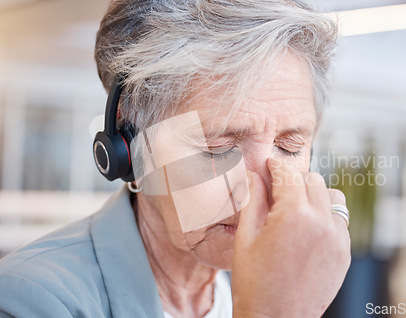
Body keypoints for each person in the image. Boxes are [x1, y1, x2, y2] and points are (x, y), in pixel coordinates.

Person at [0, 0, 351, 317]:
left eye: (289, 147)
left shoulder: (266, 283)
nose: (264, 190)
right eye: (219, 148)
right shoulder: (33, 301)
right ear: (132, 146)